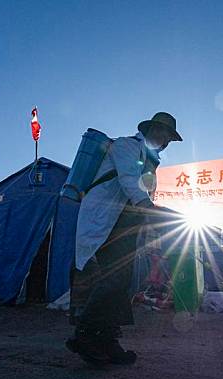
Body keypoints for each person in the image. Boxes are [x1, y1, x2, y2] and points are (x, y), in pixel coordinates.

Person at [67, 112, 183, 364]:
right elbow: (130, 180)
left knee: (125, 281)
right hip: (106, 221)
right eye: (161, 131)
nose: (163, 138)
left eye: (168, 136)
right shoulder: (126, 146)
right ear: (150, 129)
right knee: (114, 278)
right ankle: (85, 334)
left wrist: (151, 220)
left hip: (126, 226)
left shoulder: (151, 162)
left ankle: (108, 339)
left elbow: (144, 196)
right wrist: (151, 211)